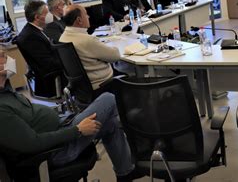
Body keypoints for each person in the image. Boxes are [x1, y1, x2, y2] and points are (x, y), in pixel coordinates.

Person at [0, 47, 143, 182]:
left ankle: (125, 174)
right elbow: (32, 143)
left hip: (62, 129)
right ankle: (145, 132)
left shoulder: (6, 91)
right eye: (3, 57)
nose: (9, 59)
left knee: (110, 124)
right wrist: (78, 130)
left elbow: (32, 119)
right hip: (55, 151)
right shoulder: (2, 108)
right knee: (108, 99)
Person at [59, 5, 121, 90]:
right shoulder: (87, 40)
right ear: (79, 20)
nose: (89, 16)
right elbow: (116, 56)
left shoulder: (62, 38)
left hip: (81, 87)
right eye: (86, 14)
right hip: (103, 84)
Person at [16, 0, 63, 97]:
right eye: (47, 13)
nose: (50, 15)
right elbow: (48, 64)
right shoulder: (30, 37)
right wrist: (68, 61)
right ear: (37, 17)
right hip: (50, 80)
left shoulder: (35, 31)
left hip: (51, 74)